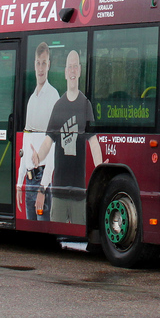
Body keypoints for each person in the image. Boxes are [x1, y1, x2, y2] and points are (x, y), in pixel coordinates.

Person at [33, 50, 104, 225]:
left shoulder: (85, 105)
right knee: (56, 234)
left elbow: (94, 142)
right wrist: (38, 157)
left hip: (79, 191)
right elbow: (48, 141)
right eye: (69, 67)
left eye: (75, 67)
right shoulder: (58, 106)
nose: (72, 71)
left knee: (79, 232)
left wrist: (101, 168)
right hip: (58, 190)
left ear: (79, 71)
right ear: (65, 73)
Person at [16, 42, 59, 221]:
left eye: (44, 63)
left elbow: (53, 147)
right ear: (34, 65)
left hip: (42, 181)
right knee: (32, 238)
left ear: (49, 65)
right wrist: (20, 182)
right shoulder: (31, 100)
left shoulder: (53, 97)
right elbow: (26, 146)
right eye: (37, 63)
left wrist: (43, 187)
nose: (40, 68)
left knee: (43, 232)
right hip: (29, 180)